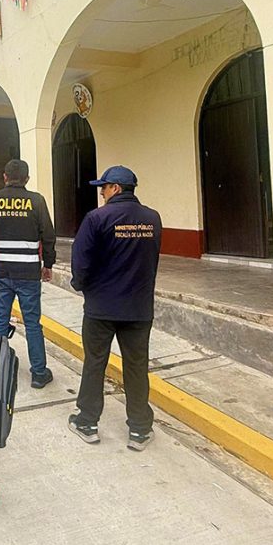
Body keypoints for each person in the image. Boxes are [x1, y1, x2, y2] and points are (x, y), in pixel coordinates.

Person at [67, 166, 162, 452]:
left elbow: (81, 262)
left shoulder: (96, 218)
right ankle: (140, 429)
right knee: (136, 366)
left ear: (116, 188)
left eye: (104, 187)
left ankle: (87, 422)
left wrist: (82, 285)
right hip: (138, 308)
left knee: (95, 363)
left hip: (101, 308)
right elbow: (151, 259)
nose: (102, 193)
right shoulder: (152, 218)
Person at [0, 159, 57, 389]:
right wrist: (48, 263)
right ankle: (39, 373)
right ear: (26, 178)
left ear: (5, 177)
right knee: (32, 323)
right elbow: (48, 235)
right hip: (28, 272)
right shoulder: (36, 201)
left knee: (0, 322)